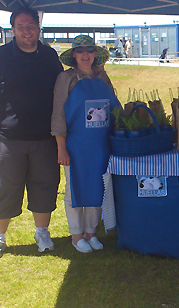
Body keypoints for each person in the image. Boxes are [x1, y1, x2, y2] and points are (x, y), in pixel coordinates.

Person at [0, 7, 64, 261]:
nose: (27, 31)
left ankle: (42, 232)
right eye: (21, 26)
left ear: (38, 27)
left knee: (45, 187)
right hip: (7, 139)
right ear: (12, 29)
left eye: (31, 25)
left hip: (44, 138)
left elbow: (60, 91)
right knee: (5, 188)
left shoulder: (49, 56)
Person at [52, 35, 120, 253]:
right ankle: (76, 235)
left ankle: (91, 233)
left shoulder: (102, 77)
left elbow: (114, 106)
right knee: (75, 190)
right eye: (80, 51)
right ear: (73, 55)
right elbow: (58, 114)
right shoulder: (66, 78)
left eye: (89, 51)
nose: (85, 55)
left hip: (101, 145)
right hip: (76, 145)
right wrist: (61, 146)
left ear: (95, 54)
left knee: (97, 188)